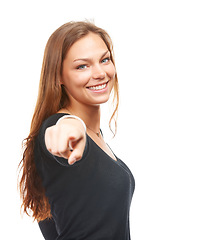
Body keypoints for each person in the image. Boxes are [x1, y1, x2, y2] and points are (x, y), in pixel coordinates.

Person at [19, 21, 135, 240]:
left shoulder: (95, 135)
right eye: (82, 66)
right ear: (59, 76)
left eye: (104, 59)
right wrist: (71, 125)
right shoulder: (59, 128)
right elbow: (63, 129)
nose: (100, 72)